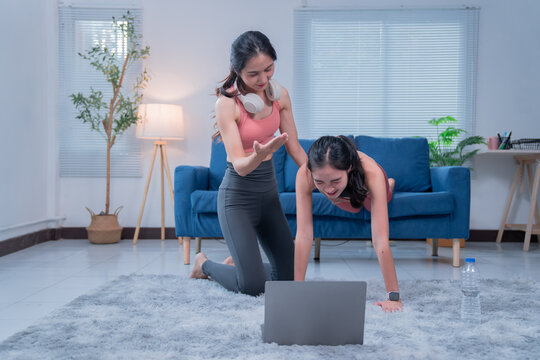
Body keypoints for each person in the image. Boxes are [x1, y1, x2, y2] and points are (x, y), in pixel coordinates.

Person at [189, 31, 307, 296]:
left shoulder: (280, 96)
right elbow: (240, 165)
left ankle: (244, 266)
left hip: (268, 196)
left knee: (289, 278)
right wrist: (259, 154)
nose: (263, 79)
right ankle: (204, 264)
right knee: (252, 286)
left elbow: (296, 148)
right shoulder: (227, 105)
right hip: (237, 198)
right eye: (254, 74)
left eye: (268, 69)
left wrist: (319, 177)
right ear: (237, 70)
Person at [294, 135, 402, 312]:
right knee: (353, 206)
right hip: (346, 195)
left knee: (376, 200)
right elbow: (304, 235)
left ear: (349, 167)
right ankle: (346, 194)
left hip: (370, 185)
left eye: (335, 180)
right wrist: (296, 290)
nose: (328, 189)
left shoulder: (371, 173)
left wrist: (393, 296)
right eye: (319, 182)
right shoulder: (304, 174)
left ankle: (390, 184)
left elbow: (380, 240)